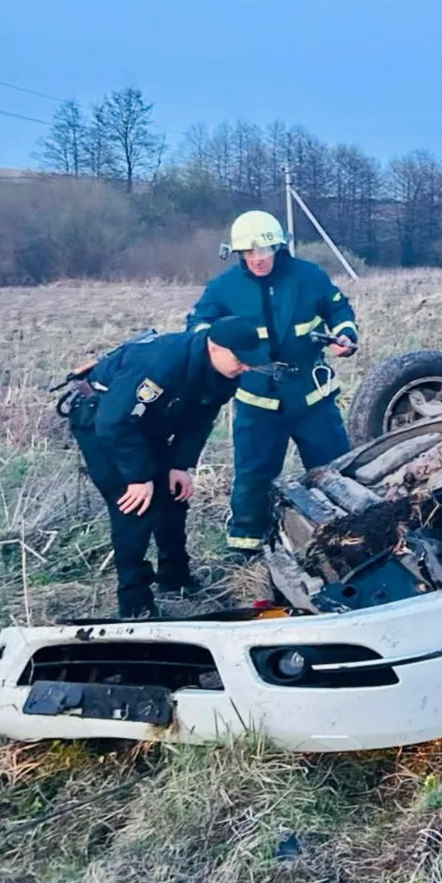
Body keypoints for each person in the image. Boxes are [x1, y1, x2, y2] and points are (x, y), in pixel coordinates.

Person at [59, 317, 266, 618]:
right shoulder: (161, 364)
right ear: (214, 347)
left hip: (143, 422)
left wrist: (179, 464)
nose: (245, 368)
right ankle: (135, 602)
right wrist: (138, 477)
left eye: (249, 362)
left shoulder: (225, 373)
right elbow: (113, 423)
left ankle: (175, 578)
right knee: (134, 507)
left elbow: (200, 419)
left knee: (172, 497)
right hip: (101, 420)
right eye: (240, 360)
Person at [187, 211, 360, 557]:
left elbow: (340, 312)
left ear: (278, 248)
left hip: (313, 400)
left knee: (335, 473)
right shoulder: (223, 288)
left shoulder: (309, 277)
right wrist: (217, 349)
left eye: (263, 253)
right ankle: (247, 548)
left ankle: (351, 539)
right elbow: (198, 325)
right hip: (257, 403)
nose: (256, 260)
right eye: (248, 254)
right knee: (253, 477)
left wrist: (345, 335)